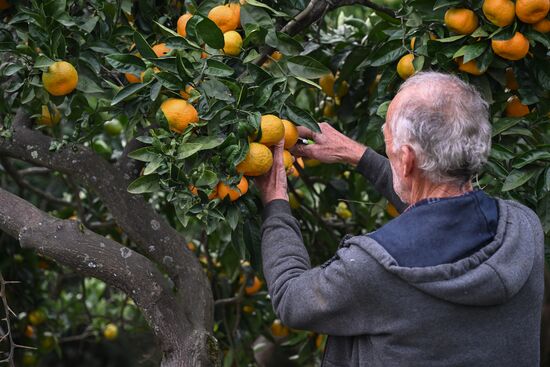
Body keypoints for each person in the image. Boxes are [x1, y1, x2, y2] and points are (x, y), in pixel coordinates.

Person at [255, 72, 544, 366]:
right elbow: (441, 208)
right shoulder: (523, 227)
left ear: (406, 160)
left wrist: (276, 201)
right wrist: (358, 155)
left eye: (388, 143)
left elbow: (292, 298)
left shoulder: (374, 269)